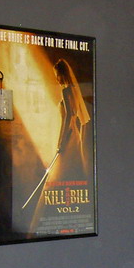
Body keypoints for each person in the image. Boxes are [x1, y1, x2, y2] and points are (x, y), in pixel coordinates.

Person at [26, 58, 91, 234]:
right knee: (70, 172)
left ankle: (46, 219)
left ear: (61, 74)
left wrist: (61, 141)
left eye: (57, 75)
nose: (56, 78)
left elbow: (69, 116)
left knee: (59, 175)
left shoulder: (66, 91)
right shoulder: (73, 90)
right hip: (74, 136)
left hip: (68, 137)